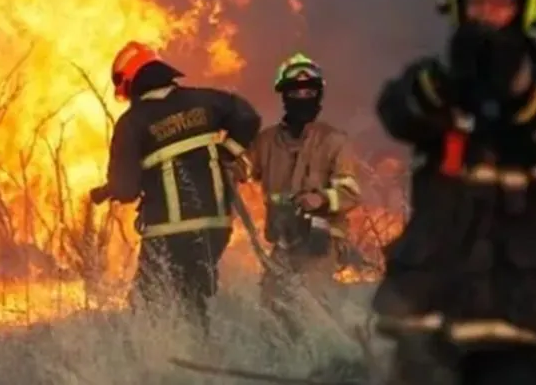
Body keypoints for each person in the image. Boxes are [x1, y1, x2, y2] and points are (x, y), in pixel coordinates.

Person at [371, 0, 536, 385]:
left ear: (526, 9)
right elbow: (398, 112)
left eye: (501, 1)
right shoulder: (432, 82)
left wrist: (519, 93)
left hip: (513, 316)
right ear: (458, 7)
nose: (488, 13)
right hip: (427, 311)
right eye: (477, 1)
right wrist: (449, 80)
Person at [89, 41, 261, 335]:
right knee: (191, 299)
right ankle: (202, 354)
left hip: (170, 232)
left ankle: (168, 365)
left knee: (147, 305)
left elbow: (126, 188)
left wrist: (111, 189)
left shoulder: (133, 123)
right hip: (216, 226)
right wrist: (227, 152)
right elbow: (248, 116)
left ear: (131, 84)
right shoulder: (205, 101)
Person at [246, 53, 361, 340]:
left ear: (318, 96)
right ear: (284, 96)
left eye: (309, 92)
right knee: (271, 306)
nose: (302, 97)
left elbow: (350, 193)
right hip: (284, 244)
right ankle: (281, 362)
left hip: (320, 243)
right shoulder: (267, 141)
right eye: (295, 92)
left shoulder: (334, 141)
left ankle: (329, 360)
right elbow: (243, 167)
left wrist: (321, 199)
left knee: (310, 306)